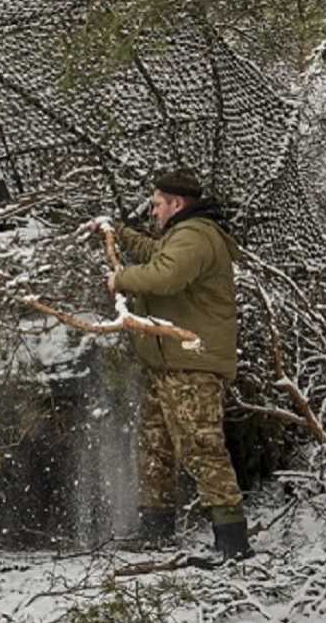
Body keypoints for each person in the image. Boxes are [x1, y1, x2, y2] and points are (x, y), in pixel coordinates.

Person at [89, 169, 253, 560]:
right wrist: (120, 235)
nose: (154, 211)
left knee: (200, 446)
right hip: (167, 362)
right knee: (155, 447)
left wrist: (120, 279)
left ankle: (233, 543)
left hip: (191, 362)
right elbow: (159, 254)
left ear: (177, 204)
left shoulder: (196, 235)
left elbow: (166, 275)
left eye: (158, 204)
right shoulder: (182, 236)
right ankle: (156, 531)